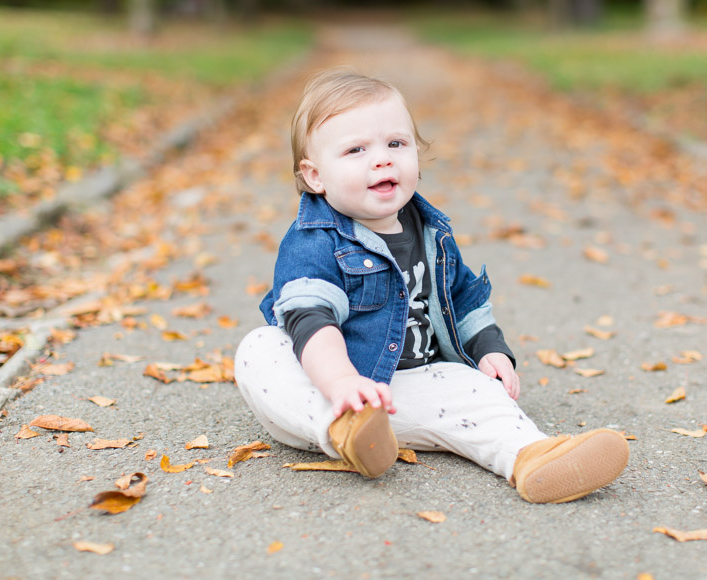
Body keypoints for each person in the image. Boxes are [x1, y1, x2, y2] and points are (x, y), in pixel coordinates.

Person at [234, 69, 629, 503]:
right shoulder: (314, 241)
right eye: (356, 149)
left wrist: (489, 349)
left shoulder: (430, 231)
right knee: (259, 350)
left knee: (474, 389)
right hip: (325, 390)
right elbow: (311, 317)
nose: (382, 159)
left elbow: (463, 297)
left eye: (396, 144)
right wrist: (342, 383)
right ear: (315, 177)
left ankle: (532, 457)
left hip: (409, 389)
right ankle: (344, 430)